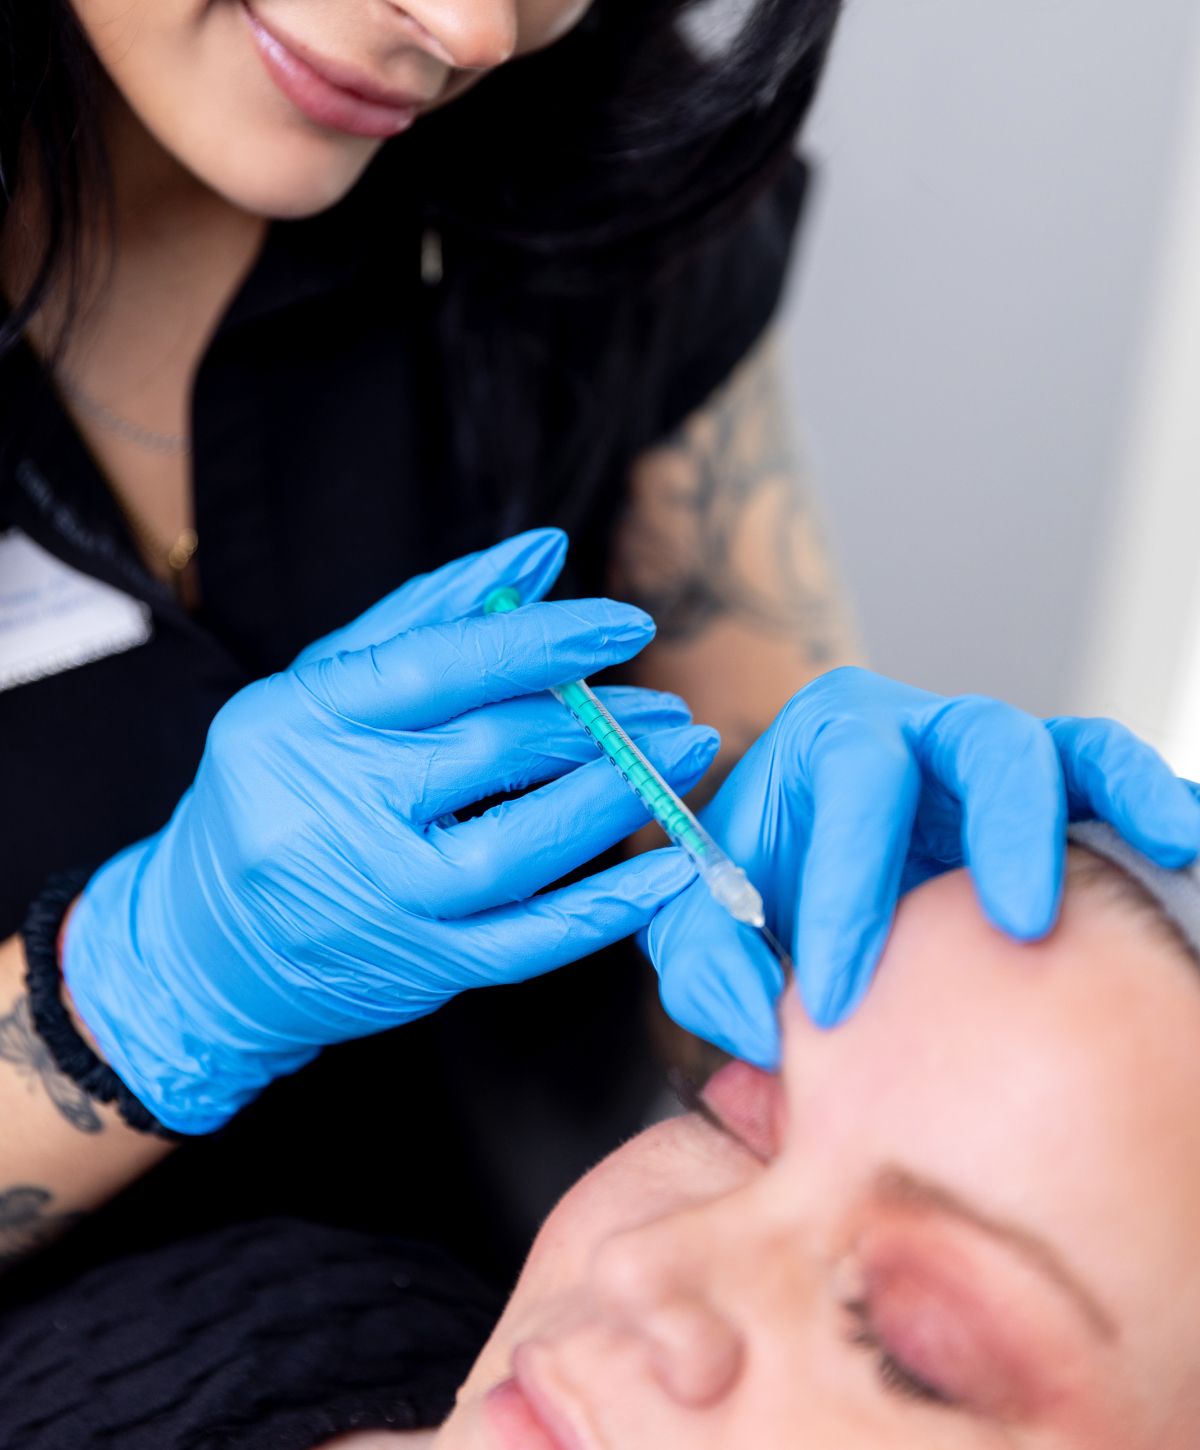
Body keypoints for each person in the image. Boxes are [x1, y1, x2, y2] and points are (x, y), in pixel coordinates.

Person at [2, 0, 1198, 1297]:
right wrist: (141, 992)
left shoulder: (586, 156)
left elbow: (745, 888)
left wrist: (831, 942)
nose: (471, 29)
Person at [4, 822, 1199, 1448]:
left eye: (909, 1349)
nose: (637, 1266)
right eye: (729, 1125)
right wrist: (120, 994)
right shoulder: (253, 1314)